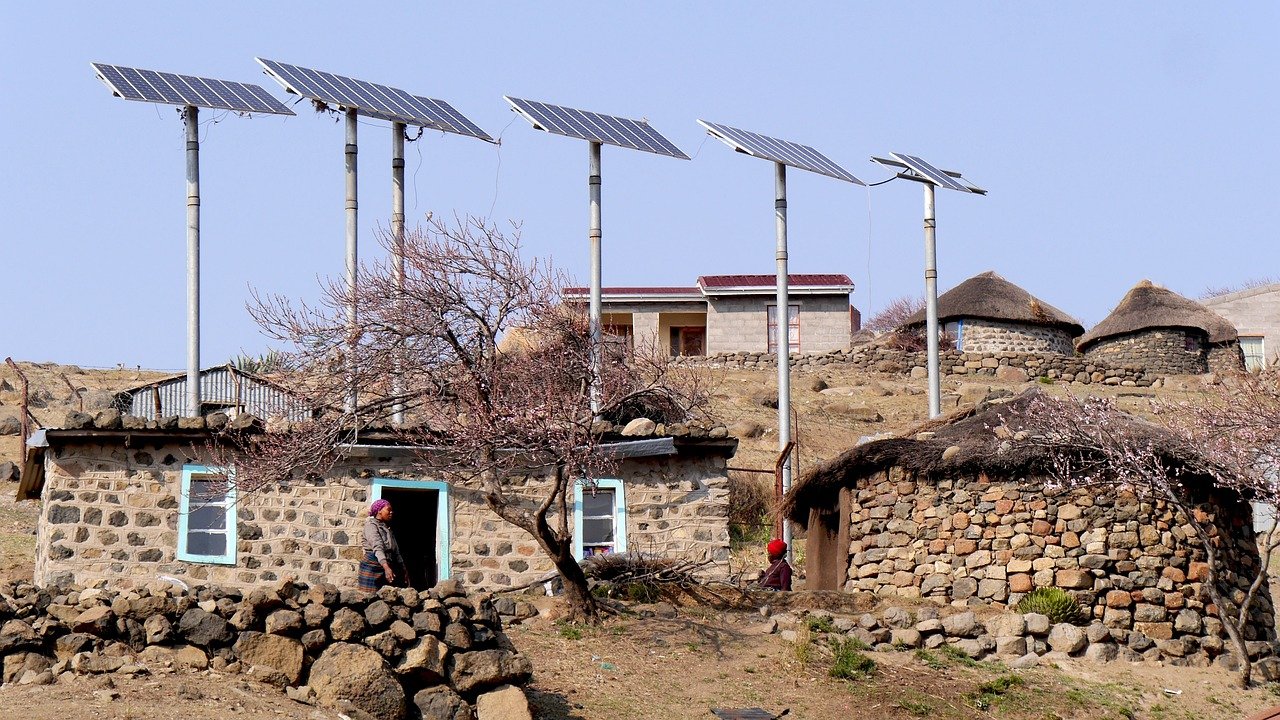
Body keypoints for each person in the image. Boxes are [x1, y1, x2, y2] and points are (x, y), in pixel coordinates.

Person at [359, 499, 405, 592]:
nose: (391, 512)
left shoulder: (387, 528)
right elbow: (377, 547)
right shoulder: (371, 526)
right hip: (372, 565)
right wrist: (386, 567)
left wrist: (403, 568)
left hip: (387, 564)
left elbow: (396, 550)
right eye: (388, 510)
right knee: (369, 596)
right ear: (379, 511)